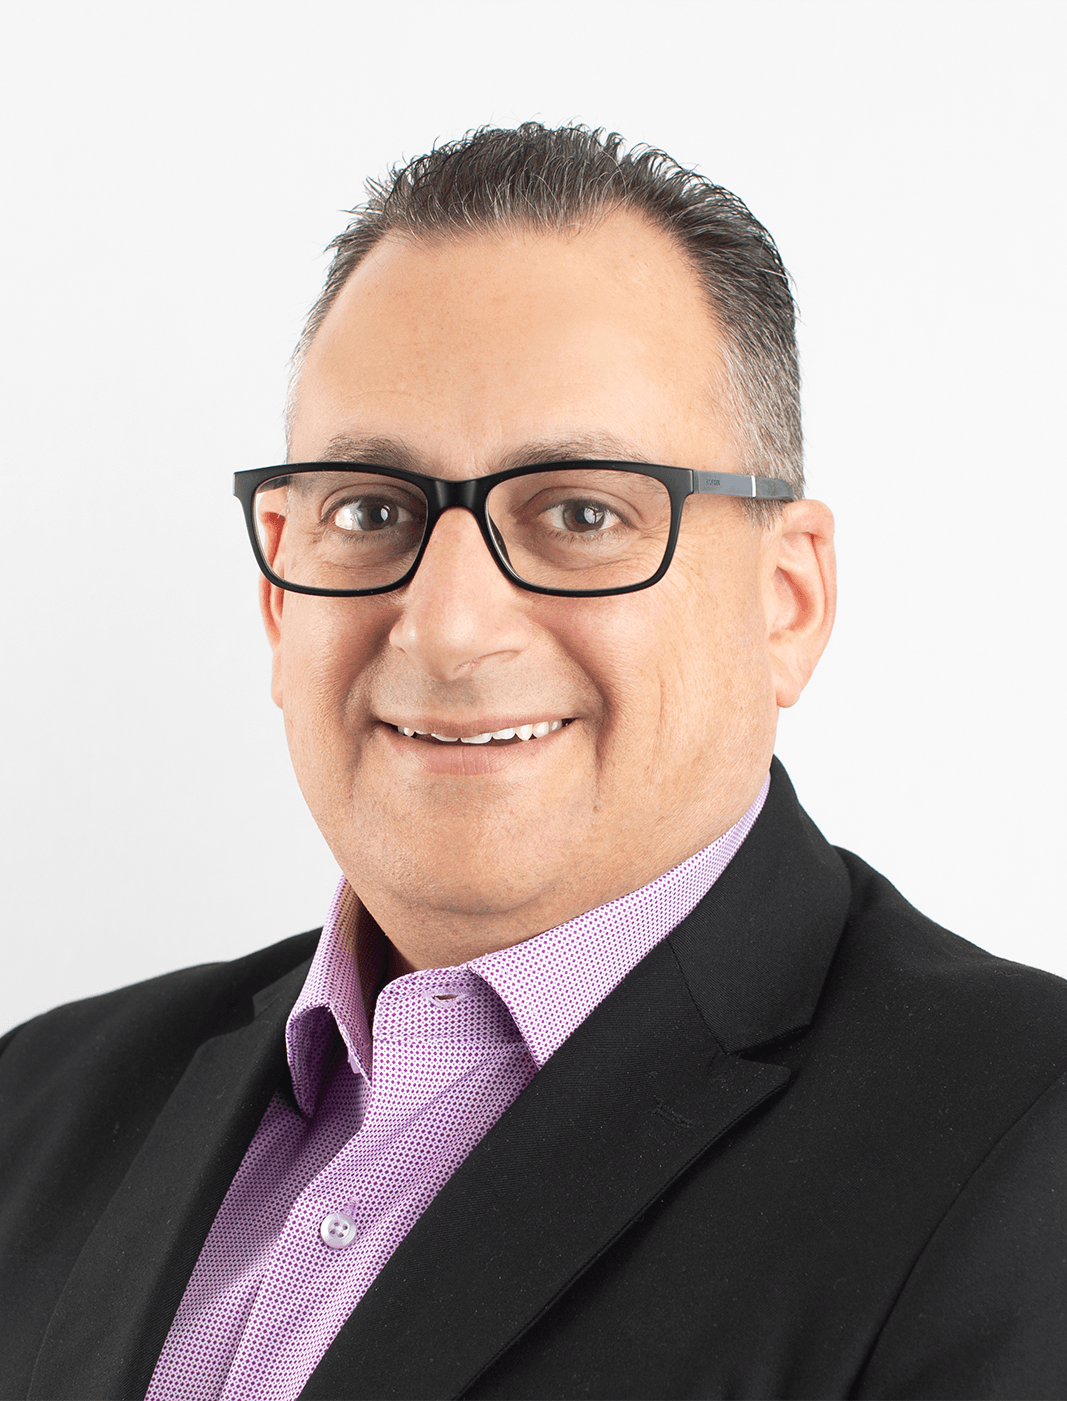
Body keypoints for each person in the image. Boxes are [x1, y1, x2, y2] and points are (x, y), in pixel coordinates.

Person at [2, 123, 1065, 1401]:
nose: (448, 628)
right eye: (369, 510)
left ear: (785, 601)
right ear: (279, 600)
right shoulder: (36, 1105)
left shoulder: (1026, 1146)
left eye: (580, 512)